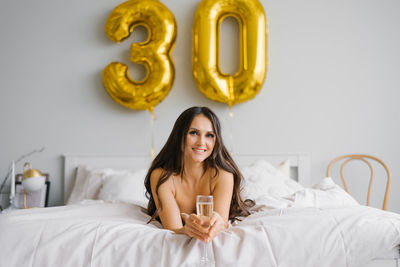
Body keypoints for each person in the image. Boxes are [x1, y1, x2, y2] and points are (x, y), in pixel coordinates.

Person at [144, 106, 253, 243]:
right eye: (194, 133)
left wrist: (216, 224)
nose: (201, 142)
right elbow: (173, 229)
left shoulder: (223, 175)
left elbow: (220, 223)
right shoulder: (162, 176)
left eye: (209, 135)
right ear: (179, 136)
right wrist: (186, 230)